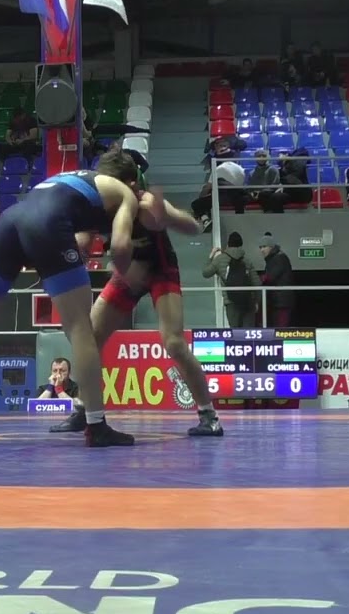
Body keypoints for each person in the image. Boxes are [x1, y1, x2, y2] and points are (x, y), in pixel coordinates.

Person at [0, 150, 160, 448]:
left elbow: (77, 237)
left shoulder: (74, 181)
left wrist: (55, 259)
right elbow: (119, 244)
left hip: (10, 223)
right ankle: (96, 425)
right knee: (81, 330)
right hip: (47, 225)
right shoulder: (124, 194)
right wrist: (127, 271)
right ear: (130, 181)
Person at [52, 186, 223, 437]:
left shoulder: (146, 202)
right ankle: (82, 409)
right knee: (89, 336)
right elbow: (83, 241)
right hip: (127, 274)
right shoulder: (98, 204)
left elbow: (193, 227)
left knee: (174, 342)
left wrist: (168, 216)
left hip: (160, 271)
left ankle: (209, 416)